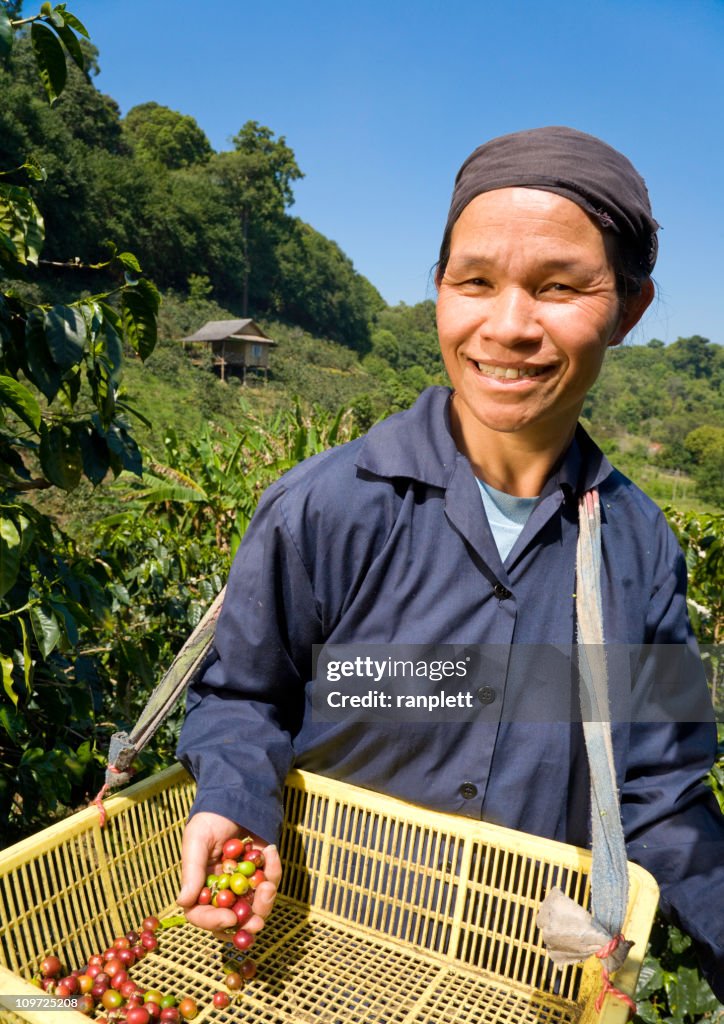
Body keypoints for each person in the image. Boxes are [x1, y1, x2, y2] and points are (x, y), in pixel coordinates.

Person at [175, 126, 724, 999]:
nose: (508, 327)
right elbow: (243, 696)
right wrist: (235, 801)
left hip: (516, 983)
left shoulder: (638, 546)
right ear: (439, 292)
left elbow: (660, 786)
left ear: (629, 307)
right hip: (304, 968)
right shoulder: (326, 508)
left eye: (560, 287)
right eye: (475, 282)